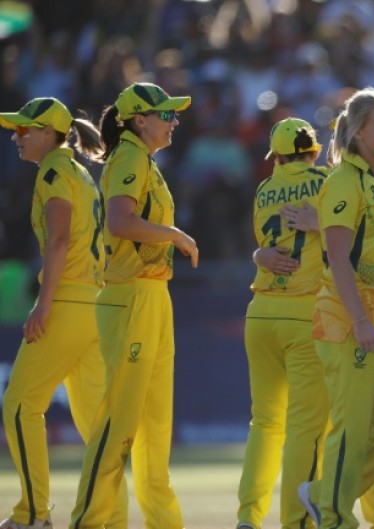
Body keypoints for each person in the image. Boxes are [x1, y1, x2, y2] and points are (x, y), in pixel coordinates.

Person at [69, 82, 197, 529]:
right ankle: (89, 521)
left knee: (155, 433)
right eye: (166, 115)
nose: (173, 121)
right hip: (129, 298)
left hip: (153, 295)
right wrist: (176, 235)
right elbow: (122, 222)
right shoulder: (127, 157)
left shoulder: (143, 159)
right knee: (119, 424)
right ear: (139, 120)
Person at [0, 98, 126, 529]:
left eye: (24, 130)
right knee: (97, 428)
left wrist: (44, 302)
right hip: (94, 305)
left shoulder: (54, 171)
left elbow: (58, 241)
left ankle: (32, 514)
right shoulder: (80, 174)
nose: (17, 137)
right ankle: (109, 519)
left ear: (49, 133)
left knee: (19, 406)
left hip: (68, 303)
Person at [298, 87, 374, 529]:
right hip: (348, 321)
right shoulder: (343, 181)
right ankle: (334, 516)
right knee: (350, 425)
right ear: (358, 131)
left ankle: (326, 496)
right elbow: (337, 257)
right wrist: (362, 319)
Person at [235, 118, 330, 529]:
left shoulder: (265, 188)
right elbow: (352, 237)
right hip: (307, 312)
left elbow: (263, 245)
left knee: (264, 424)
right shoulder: (328, 181)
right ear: (316, 151)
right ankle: (298, 521)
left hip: (261, 311)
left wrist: (258, 256)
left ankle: (248, 518)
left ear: (275, 157)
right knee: (307, 428)